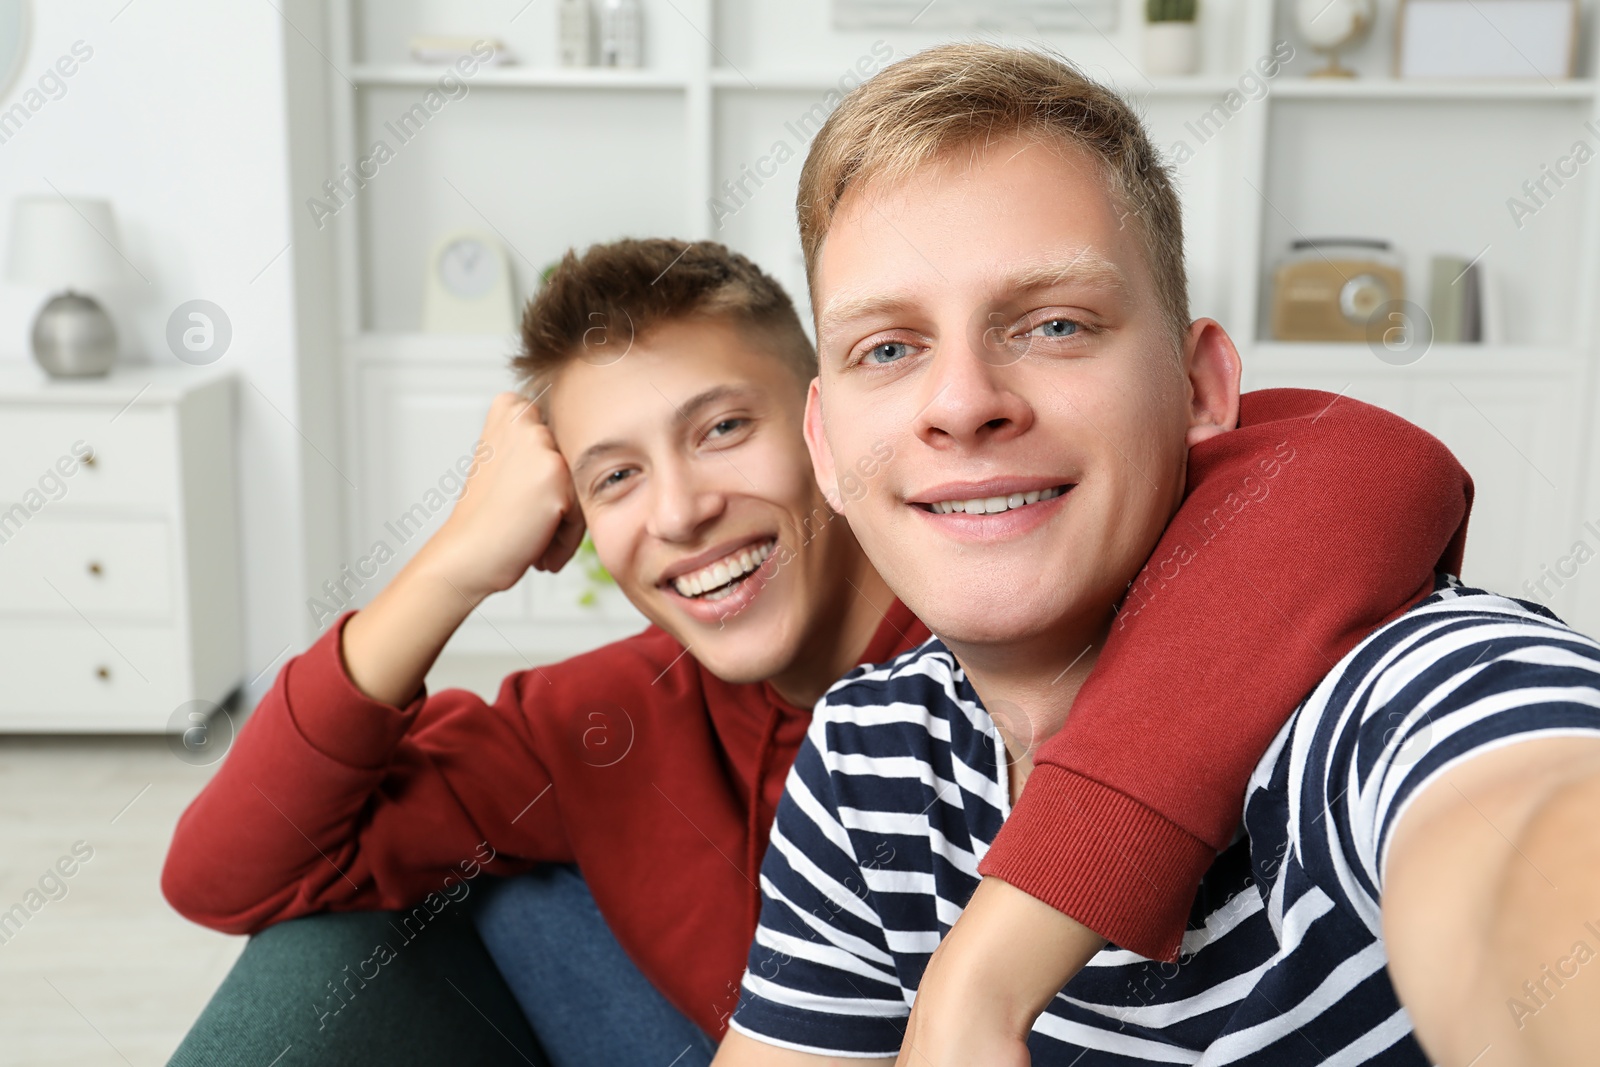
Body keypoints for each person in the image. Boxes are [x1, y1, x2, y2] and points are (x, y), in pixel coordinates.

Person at [162, 233, 1466, 1067]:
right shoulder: (597, 718)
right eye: (615, 475)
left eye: (723, 429)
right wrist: (453, 559)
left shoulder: (1009, 594)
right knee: (341, 940)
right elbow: (229, 869)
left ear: (832, 432)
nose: (677, 510)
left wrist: (989, 967)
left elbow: (1349, 465)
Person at [716, 42, 1600, 1067]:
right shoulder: (873, 754)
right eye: (889, 348)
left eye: (1054, 323)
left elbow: (1530, 825)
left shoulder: (1396, 681)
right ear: (824, 445)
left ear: (1198, 391)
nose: (961, 402)